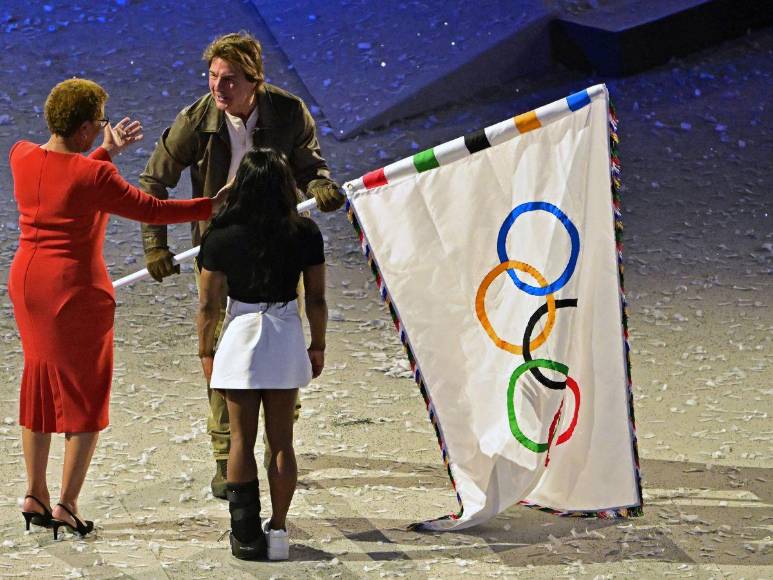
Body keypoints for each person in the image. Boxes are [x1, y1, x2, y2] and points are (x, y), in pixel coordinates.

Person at [8, 78, 227, 539]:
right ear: (87, 127)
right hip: (75, 294)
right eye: (100, 124)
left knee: (40, 384)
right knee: (85, 398)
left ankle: (34, 493)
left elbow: (69, 184)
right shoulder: (95, 176)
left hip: (28, 284)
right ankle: (66, 504)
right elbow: (150, 209)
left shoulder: (21, 154)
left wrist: (105, 151)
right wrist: (211, 204)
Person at [138, 31, 343, 499]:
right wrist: (156, 243)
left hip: (277, 239)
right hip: (222, 243)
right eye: (212, 76)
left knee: (281, 342)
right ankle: (225, 451)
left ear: (254, 81)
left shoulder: (288, 112)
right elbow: (154, 179)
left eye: (229, 79)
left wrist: (321, 186)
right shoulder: (197, 120)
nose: (217, 87)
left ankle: (279, 443)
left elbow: (310, 165)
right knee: (221, 353)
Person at [197, 148, 327, 560]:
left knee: (241, 440)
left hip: (240, 332)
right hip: (285, 332)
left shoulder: (220, 234)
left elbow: (208, 305)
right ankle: (280, 529)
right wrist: (318, 344)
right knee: (282, 442)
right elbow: (318, 299)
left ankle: (245, 533)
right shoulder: (305, 233)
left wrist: (205, 351)